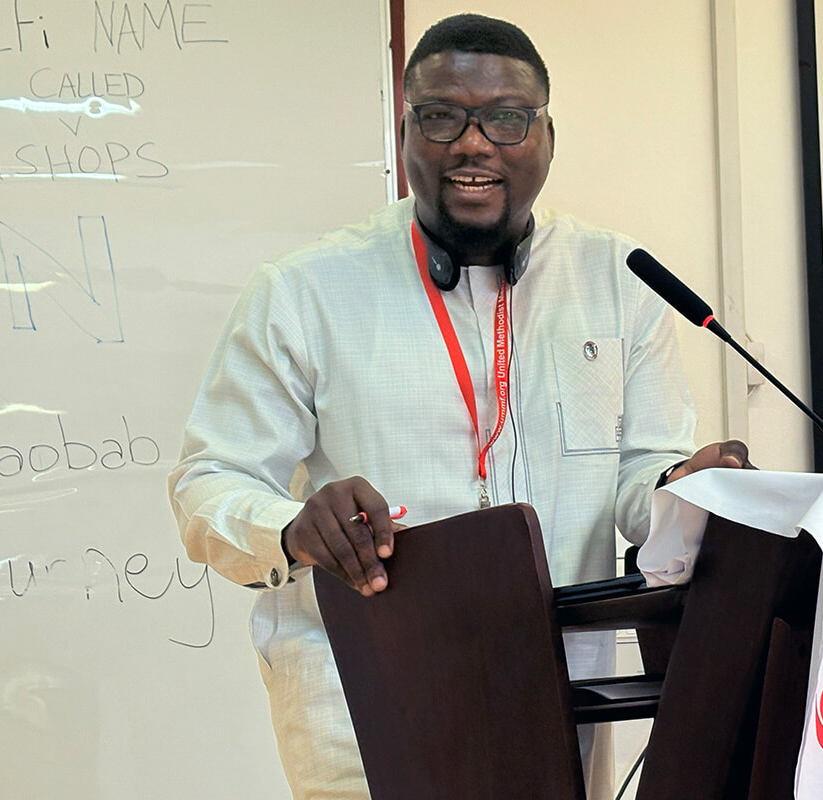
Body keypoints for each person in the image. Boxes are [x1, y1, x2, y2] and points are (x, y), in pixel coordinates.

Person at [168, 13, 751, 800]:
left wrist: (687, 487)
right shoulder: (304, 290)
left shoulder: (622, 281)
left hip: (558, 690)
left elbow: (639, 477)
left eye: (507, 117)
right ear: (405, 129)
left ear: (547, 134)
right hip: (364, 701)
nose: (474, 144)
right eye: (442, 116)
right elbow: (208, 484)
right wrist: (292, 526)